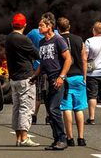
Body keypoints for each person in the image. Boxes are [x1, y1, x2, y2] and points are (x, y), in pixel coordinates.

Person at [31, 15, 72, 151]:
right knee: (49, 110)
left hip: (56, 78)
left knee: (54, 109)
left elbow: (68, 60)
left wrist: (61, 77)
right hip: (45, 79)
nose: (39, 28)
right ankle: (56, 140)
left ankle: (62, 139)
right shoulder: (42, 42)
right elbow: (42, 63)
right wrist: (34, 77)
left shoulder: (59, 40)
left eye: (41, 25)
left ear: (49, 26)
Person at [5, 13, 40, 147]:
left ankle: (19, 138)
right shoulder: (24, 40)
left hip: (14, 79)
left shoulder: (9, 38)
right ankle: (24, 138)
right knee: (26, 108)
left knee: (17, 108)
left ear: (12, 24)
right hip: (26, 79)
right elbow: (37, 55)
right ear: (25, 25)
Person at [57, 17, 87, 147]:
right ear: (69, 27)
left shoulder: (57, 40)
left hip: (65, 77)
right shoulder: (79, 40)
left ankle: (70, 138)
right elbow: (84, 59)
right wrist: (84, 76)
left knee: (67, 108)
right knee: (79, 109)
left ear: (58, 29)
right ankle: (81, 138)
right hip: (78, 77)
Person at [25, 12, 58, 124]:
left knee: (38, 94)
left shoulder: (33, 33)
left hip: (38, 67)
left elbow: (25, 42)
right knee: (50, 95)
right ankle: (49, 117)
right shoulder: (57, 34)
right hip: (52, 69)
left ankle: (34, 116)